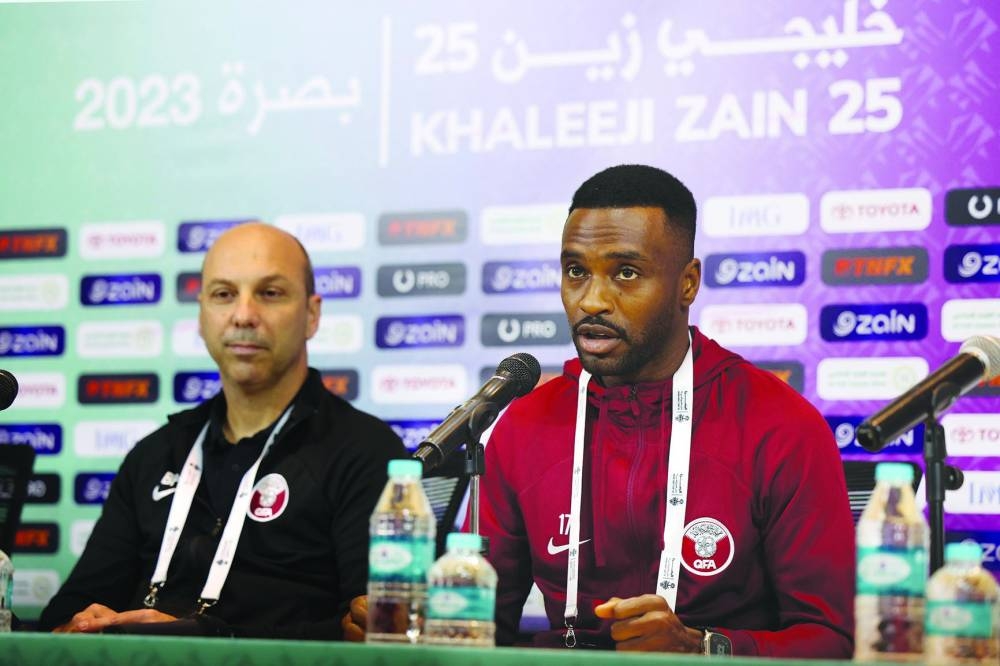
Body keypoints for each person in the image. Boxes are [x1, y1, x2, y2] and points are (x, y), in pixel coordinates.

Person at [475, 165, 855, 657]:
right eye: (576, 271)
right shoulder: (525, 423)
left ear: (688, 284)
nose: (591, 300)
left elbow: (830, 640)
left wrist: (704, 648)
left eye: (626, 273)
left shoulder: (781, 425)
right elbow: (477, 626)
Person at [40, 222, 407, 638]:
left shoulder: (367, 452)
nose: (244, 315)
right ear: (201, 315)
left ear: (312, 314)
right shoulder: (157, 453)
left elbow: (369, 634)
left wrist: (209, 641)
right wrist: (80, 628)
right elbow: (67, 614)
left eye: (270, 293)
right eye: (223, 294)